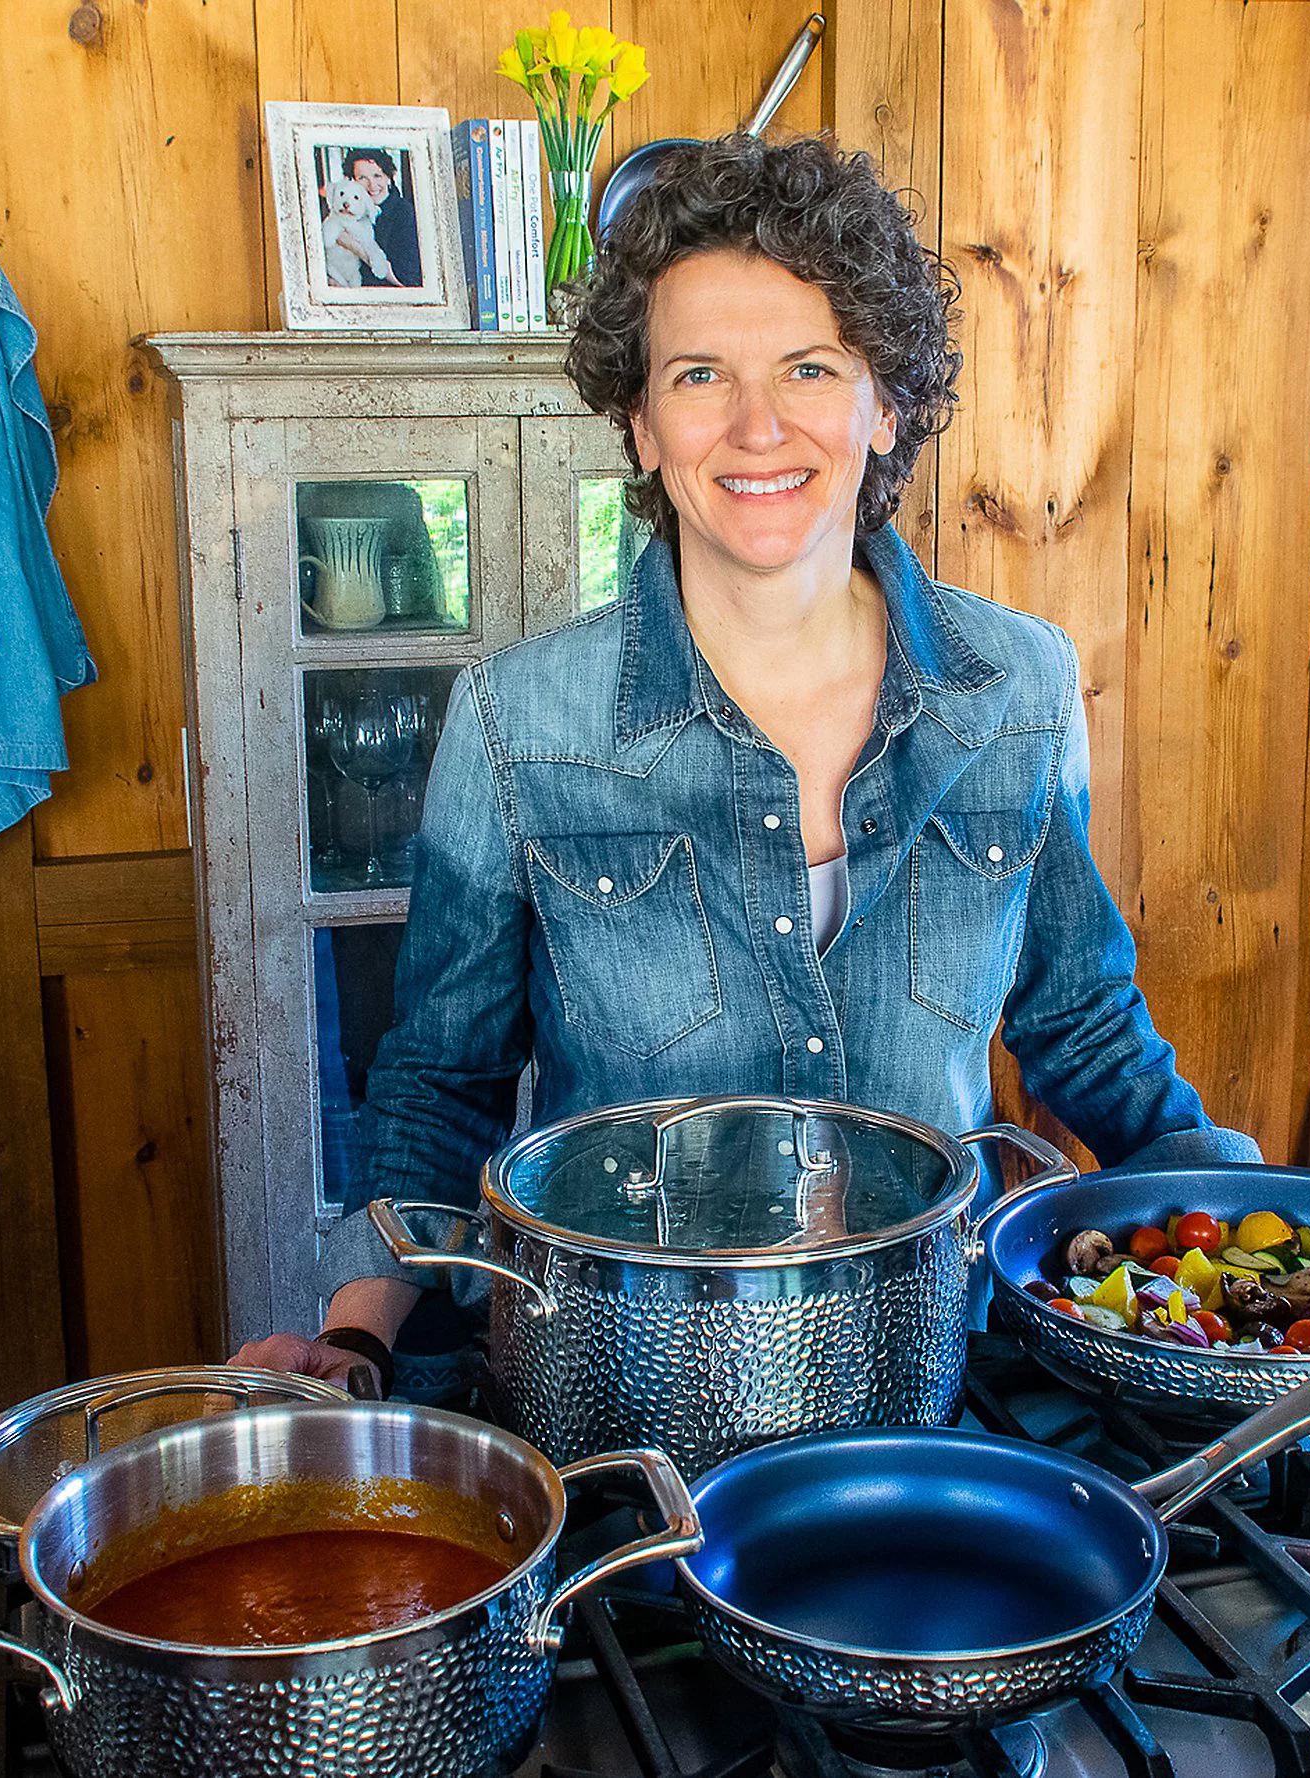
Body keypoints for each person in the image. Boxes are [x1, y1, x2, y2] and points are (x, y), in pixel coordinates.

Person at [235, 133, 1258, 1398]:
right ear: (640, 422)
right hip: (618, 1401)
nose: (757, 425)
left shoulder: (1018, 691)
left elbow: (1084, 1028)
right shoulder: (517, 720)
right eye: (700, 373)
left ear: (885, 404)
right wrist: (355, 1340)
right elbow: (438, 1087)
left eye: (809, 367)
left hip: (929, 1382)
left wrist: (1268, 1241)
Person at [346, 148, 422, 288]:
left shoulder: (403, 212)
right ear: (352, 181)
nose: (372, 185)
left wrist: (354, 246)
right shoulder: (351, 212)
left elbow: (407, 280)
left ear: (389, 176)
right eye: (362, 178)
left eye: (377, 176)